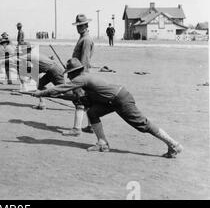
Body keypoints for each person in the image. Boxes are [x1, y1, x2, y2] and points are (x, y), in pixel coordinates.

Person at [34, 58, 183, 158]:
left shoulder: (81, 79)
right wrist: (49, 95)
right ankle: (102, 144)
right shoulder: (86, 77)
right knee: (92, 113)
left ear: (73, 73)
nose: (70, 78)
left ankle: (173, 145)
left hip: (120, 99)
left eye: (70, 75)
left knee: (142, 124)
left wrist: (42, 92)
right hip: (113, 100)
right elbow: (75, 97)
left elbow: (61, 88)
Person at [72, 14, 95, 133]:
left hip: (81, 74)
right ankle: (91, 126)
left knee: (80, 100)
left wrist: (80, 77)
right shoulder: (83, 37)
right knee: (87, 101)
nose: (79, 28)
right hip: (81, 73)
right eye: (77, 26)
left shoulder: (86, 39)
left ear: (86, 25)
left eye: (81, 25)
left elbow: (84, 61)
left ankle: (76, 129)